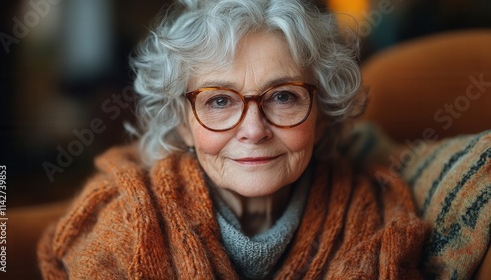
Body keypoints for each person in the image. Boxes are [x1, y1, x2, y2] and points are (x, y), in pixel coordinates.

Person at [37, 0, 429, 278]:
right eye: (220, 101)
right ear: (182, 124)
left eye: (283, 96)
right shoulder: (123, 226)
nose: (254, 130)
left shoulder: (377, 220)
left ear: (323, 116)